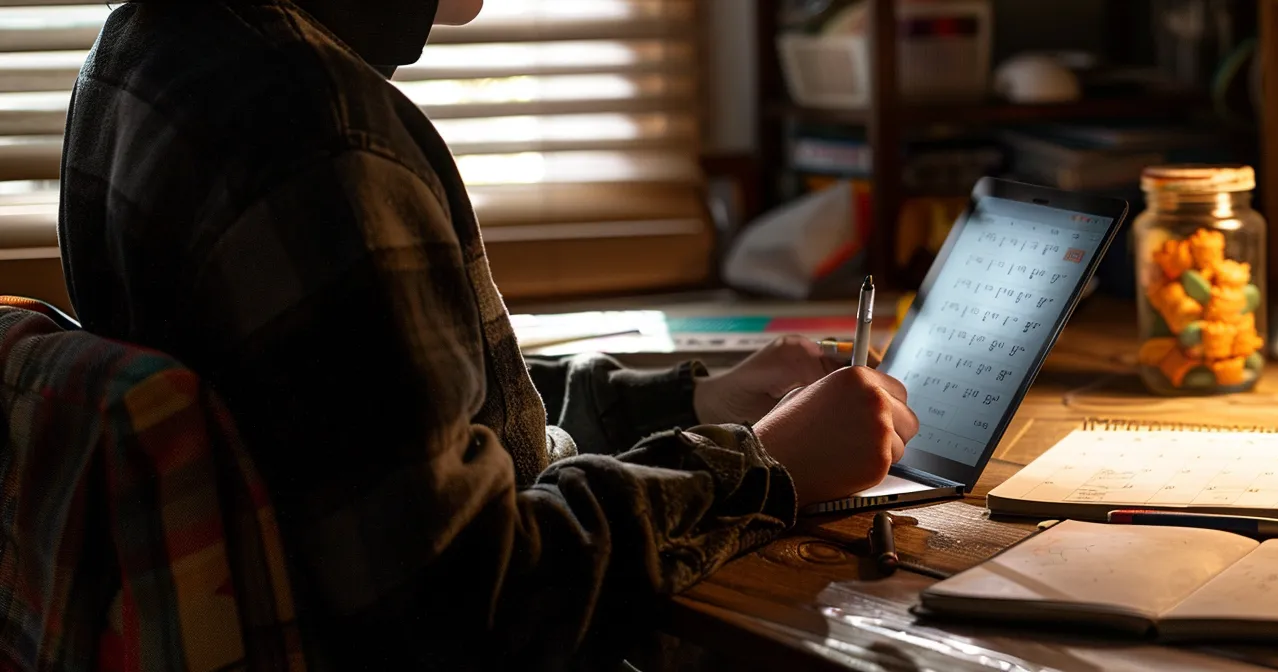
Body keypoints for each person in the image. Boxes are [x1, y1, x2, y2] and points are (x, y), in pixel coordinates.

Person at [56, 0, 918, 667]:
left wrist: (691, 400)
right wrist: (760, 467)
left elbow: (388, 417)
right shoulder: (319, 133)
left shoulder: (144, 49)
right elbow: (471, 608)